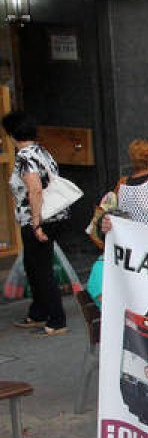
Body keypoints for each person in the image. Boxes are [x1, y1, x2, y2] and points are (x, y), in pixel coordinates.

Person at [4, 111, 70, 336]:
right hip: (54, 216)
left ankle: (56, 320)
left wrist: (36, 223)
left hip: (39, 219)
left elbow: (35, 189)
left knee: (41, 271)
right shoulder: (42, 151)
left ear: (12, 135)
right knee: (34, 267)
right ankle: (39, 311)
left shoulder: (24, 157)